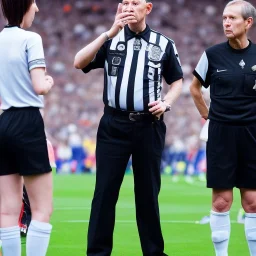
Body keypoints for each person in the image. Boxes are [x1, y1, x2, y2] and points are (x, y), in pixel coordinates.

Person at [74, 0, 183, 255]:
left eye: (136, 2)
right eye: (125, 2)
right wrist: (109, 32)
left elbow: (177, 81)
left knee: (147, 195)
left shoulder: (163, 43)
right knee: (104, 193)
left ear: (148, 8)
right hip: (114, 125)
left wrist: (166, 102)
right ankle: (97, 253)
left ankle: (154, 252)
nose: (129, 7)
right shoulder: (111, 40)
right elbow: (79, 62)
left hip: (149, 126)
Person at [190, 1, 256, 255]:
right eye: (224, 18)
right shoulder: (212, 54)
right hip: (221, 134)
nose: (226, 23)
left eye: (232, 18)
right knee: (221, 201)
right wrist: (208, 116)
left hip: (251, 134)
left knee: (251, 202)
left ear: (248, 22)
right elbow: (195, 88)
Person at [0, 0, 54, 256]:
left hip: (4, 120)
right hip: (28, 121)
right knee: (42, 208)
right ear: (24, 5)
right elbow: (39, 87)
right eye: (34, 2)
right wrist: (49, 80)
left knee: (7, 209)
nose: (37, 9)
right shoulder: (31, 39)